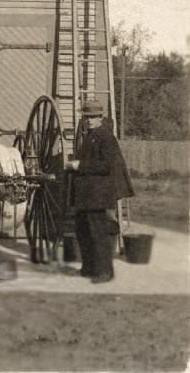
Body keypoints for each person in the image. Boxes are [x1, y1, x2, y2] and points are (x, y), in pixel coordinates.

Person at [65, 99, 134, 284]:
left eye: (93, 117)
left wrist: (80, 165)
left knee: (98, 233)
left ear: (101, 117)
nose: (89, 120)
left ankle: (105, 272)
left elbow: (107, 166)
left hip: (98, 195)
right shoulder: (91, 135)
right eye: (86, 117)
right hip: (87, 194)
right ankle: (88, 268)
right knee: (83, 231)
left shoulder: (106, 137)